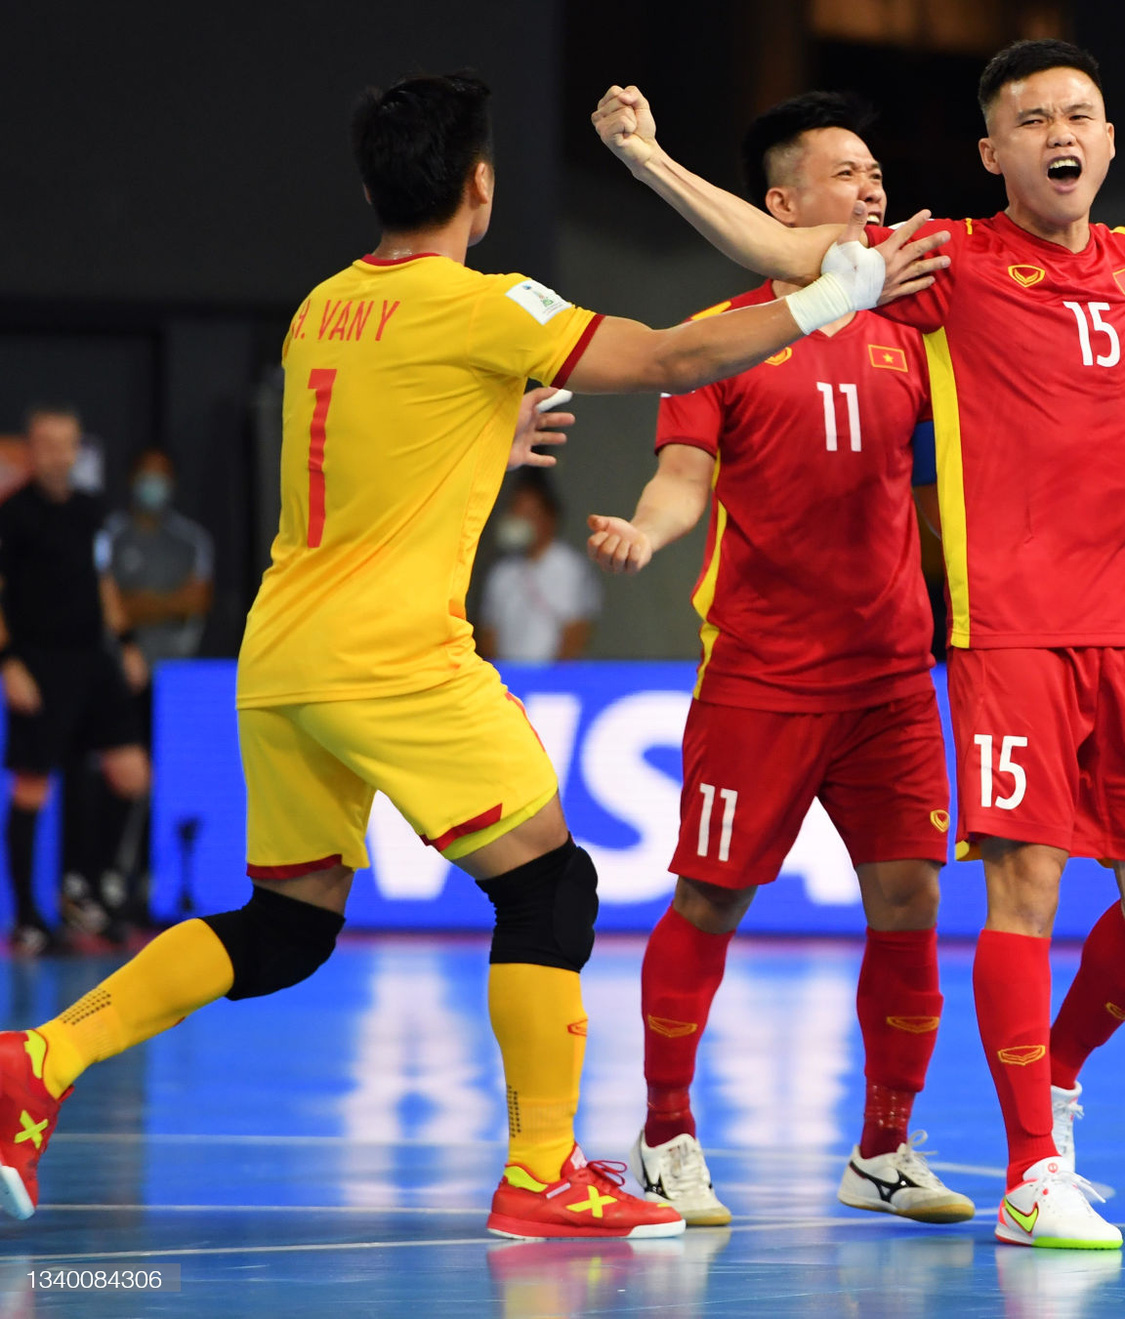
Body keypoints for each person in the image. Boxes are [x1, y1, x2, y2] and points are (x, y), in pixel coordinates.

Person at [0, 69, 949, 1235]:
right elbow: (663, 359)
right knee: (551, 883)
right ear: (481, 188)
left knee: (288, 927)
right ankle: (543, 1170)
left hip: (281, 652)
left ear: (370, 185)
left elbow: (361, 461)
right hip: (392, 654)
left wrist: (479, 444)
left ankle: (38, 1056)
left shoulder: (322, 306)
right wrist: (827, 297)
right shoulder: (487, 304)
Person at [592, 39, 1125, 1249]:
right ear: (992, 152)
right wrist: (647, 161)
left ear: (1106, 139)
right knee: (922, 890)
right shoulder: (922, 272)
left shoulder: (1103, 279)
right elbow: (773, 269)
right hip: (936, 646)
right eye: (1032, 117)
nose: (1060, 131)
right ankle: (985, 1158)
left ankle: (964, 1112)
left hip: (1037, 647)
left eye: (1081, 112)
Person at [584, 91, 971, 1228]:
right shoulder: (723, 338)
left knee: (910, 898)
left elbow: (935, 500)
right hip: (761, 677)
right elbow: (681, 479)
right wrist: (646, 532)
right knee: (711, 899)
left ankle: (885, 1150)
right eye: (844, 173)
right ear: (781, 203)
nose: (872, 190)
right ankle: (663, 1135)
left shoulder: (914, 332)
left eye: (876, 174)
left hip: (892, 679)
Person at [0, 404, 152, 955]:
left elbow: (102, 580)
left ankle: (86, 886)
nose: (56, 455)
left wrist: (127, 641)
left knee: (132, 773)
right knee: (34, 784)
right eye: (46, 444)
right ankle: (27, 917)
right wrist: (9, 661)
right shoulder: (13, 515)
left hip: (93, 657)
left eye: (66, 444)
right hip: (39, 662)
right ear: (30, 449)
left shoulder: (89, 509)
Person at [94, 447, 215, 928]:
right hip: (120, 677)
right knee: (119, 778)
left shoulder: (190, 541)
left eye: (162, 476)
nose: (153, 484)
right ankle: (108, 882)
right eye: (146, 476)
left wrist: (137, 602)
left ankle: (150, 884)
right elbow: (109, 603)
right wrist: (156, 606)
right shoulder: (109, 536)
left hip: (175, 685)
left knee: (163, 784)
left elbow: (195, 601)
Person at [477, 469, 600, 662]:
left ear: (549, 518)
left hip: (552, 682)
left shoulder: (570, 568)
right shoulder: (501, 572)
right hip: (505, 681)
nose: (520, 521)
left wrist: (548, 682)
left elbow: (577, 631)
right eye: (515, 512)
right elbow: (488, 632)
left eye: (528, 513)